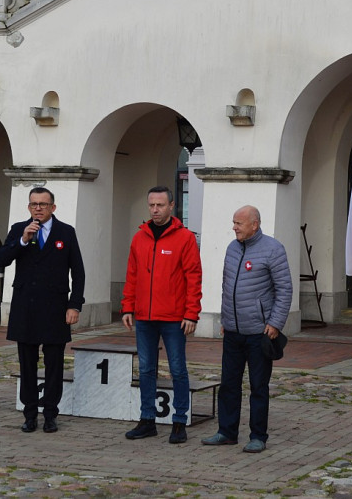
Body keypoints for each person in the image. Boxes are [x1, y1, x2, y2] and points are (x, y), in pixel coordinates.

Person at [202, 205, 292, 453]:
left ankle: (258, 436)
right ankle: (227, 432)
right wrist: (225, 319)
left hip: (259, 333)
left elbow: (284, 289)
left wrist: (275, 322)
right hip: (232, 331)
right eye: (233, 222)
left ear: (255, 224)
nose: (234, 227)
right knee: (229, 383)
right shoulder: (232, 248)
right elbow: (226, 286)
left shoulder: (273, 250)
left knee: (258, 386)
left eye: (239, 223)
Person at [0, 187, 86, 434]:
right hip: (26, 306)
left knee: (54, 364)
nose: (38, 208)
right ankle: (29, 413)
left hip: (55, 307)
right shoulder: (19, 230)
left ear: (53, 208)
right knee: (27, 364)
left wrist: (74, 305)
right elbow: (1, 259)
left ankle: (50, 414)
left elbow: (77, 272)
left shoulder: (65, 232)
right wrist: (23, 240)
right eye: (34, 204)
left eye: (43, 204)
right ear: (28, 207)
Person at [122, 186, 202, 444]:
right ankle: (147, 420)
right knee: (146, 369)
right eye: (151, 205)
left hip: (174, 318)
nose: (155, 209)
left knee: (178, 369)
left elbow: (194, 277)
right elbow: (132, 275)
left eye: (160, 205)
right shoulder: (139, 237)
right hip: (144, 317)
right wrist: (127, 306)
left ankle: (179, 421)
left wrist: (191, 313)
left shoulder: (185, 238)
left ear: (171, 207)